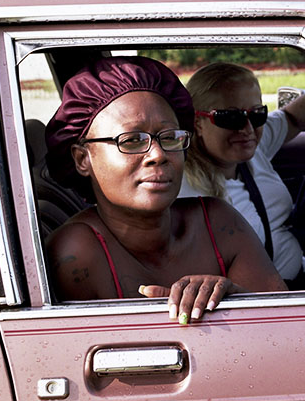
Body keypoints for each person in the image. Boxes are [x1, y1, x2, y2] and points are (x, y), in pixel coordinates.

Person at [44, 56, 286, 323]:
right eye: (132, 140)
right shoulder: (77, 253)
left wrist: (234, 300)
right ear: (82, 159)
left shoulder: (219, 221)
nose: (158, 154)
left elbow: (287, 328)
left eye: (170, 137)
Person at [181, 62, 305, 289]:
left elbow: (291, 118)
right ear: (198, 122)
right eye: (230, 118)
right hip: (273, 292)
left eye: (257, 114)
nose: (247, 128)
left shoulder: (250, 149)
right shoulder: (184, 187)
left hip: (287, 256)